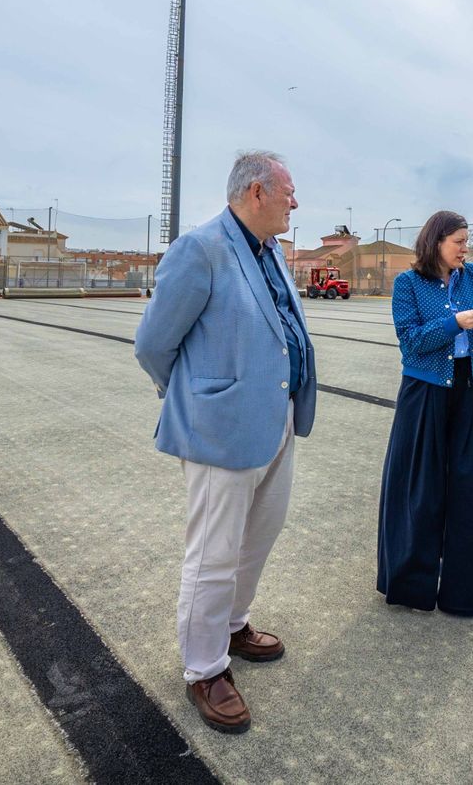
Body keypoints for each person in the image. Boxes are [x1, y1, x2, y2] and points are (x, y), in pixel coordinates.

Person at [134, 150, 317, 735]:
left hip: (277, 423)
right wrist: (193, 396)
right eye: (288, 191)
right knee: (213, 554)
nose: (295, 201)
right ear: (256, 191)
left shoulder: (268, 253)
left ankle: (232, 625)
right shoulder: (202, 247)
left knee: (257, 538)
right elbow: (153, 342)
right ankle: (205, 669)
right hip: (220, 430)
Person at [377, 211, 473, 615]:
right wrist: (453, 324)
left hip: (469, 387)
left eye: (467, 240)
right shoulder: (408, 284)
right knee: (420, 490)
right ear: (436, 242)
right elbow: (411, 342)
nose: (466, 248)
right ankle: (411, 586)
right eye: (459, 241)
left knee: (472, 489)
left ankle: (462, 593)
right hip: (424, 392)